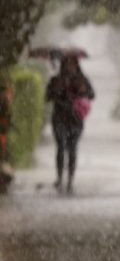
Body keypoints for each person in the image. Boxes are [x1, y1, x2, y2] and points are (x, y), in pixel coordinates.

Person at [45, 55, 94, 193]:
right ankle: (60, 178)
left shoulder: (81, 79)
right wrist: (56, 90)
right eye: (66, 63)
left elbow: (91, 94)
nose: (69, 67)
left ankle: (70, 179)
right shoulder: (56, 80)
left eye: (72, 64)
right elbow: (47, 97)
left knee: (72, 149)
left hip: (75, 121)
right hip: (59, 118)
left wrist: (82, 90)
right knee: (60, 147)